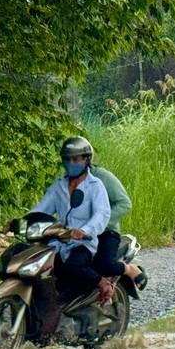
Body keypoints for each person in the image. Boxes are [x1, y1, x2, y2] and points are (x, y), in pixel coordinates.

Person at [25, 136, 111, 338]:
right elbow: (41, 209)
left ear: (86, 160)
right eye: (68, 160)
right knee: (36, 268)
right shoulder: (58, 186)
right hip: (57, 243)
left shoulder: (95, 186)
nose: (71, 164)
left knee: (74, 266)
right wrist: (22, 222)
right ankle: (45, 314)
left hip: (83, 243)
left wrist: (85, 230)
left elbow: (102, 214)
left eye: (76, 159)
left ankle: (101, 283)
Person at [89, 160, 147, 298]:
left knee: (105, 265)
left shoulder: (102, 176)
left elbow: (124, 203)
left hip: (106, 232)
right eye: (68, 159)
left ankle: (130, 270)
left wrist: (99, 223)